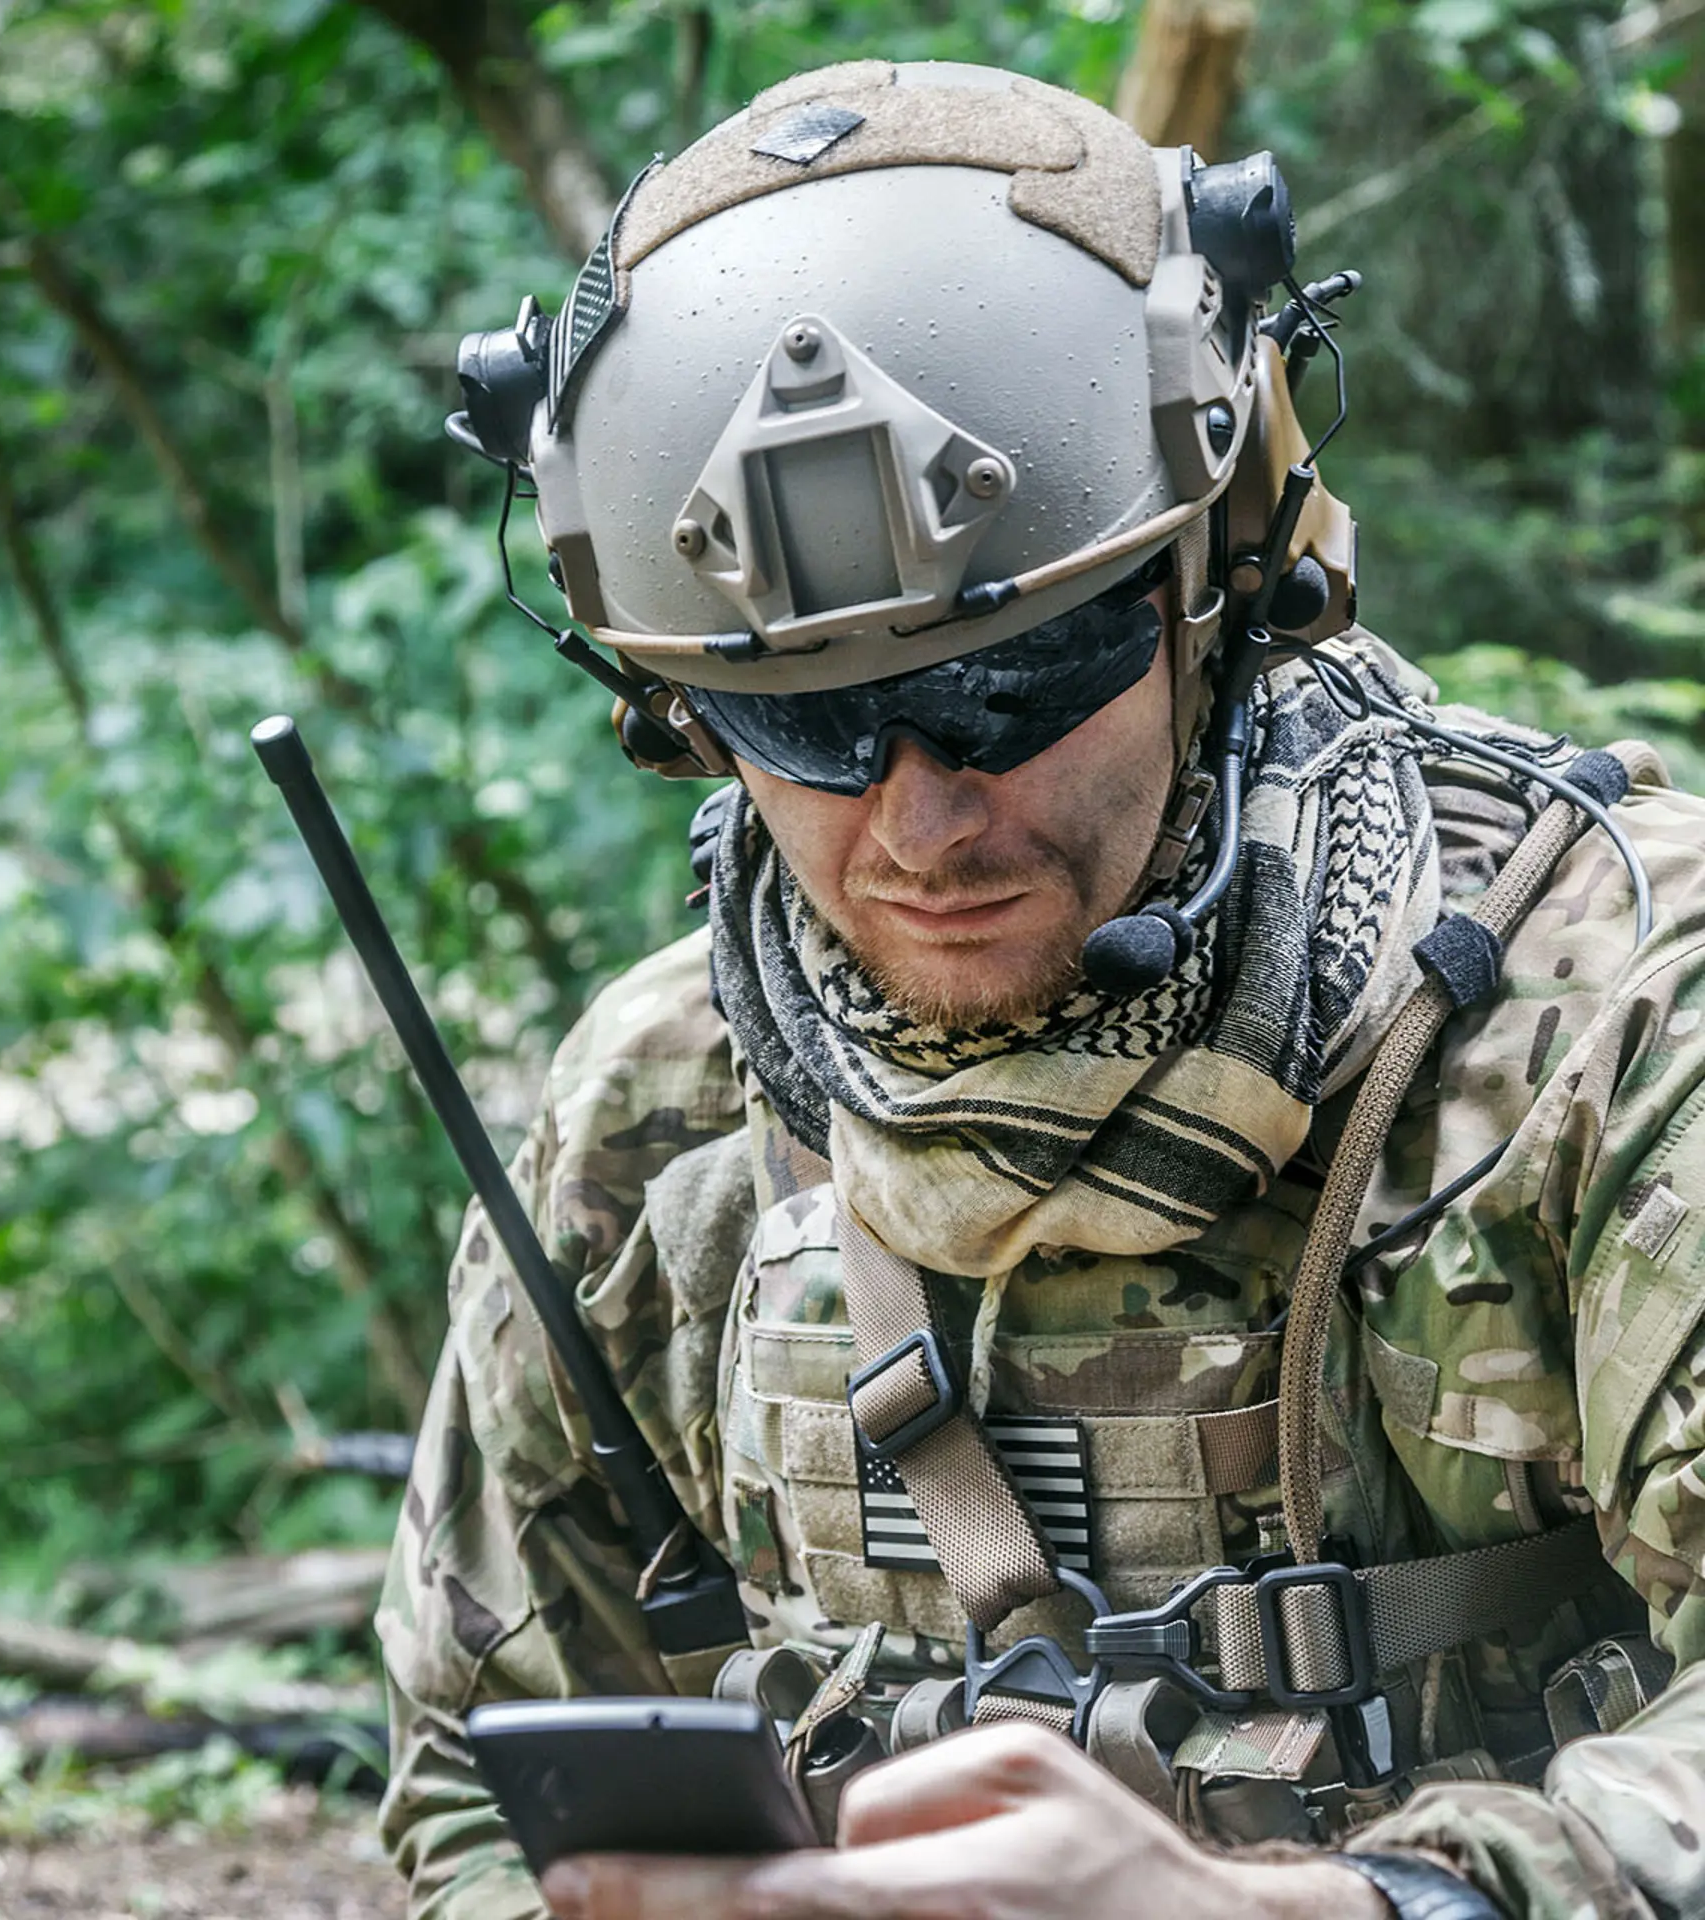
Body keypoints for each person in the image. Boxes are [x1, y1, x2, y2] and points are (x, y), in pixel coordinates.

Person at [375, 58, 1705, 1920]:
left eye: (1010, 685)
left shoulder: (1604, 1015)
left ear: (1219, 578)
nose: (919, 819)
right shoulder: (668, 1108)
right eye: (808, 722)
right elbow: (480, 1765)